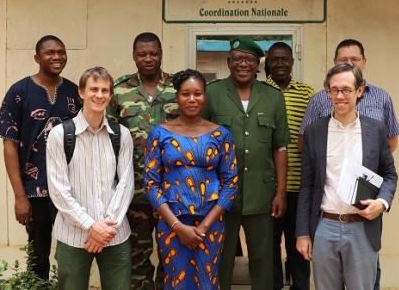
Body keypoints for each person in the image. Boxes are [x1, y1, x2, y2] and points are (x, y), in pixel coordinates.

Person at [300, 39, 399, 288]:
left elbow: (390, 174)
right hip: (325, 226)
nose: (340, 96)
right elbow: (307, 185)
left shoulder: (375, 129)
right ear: (328, 92)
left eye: (346, 89)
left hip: (362, 228)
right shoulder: (314, 131)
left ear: (359, 91)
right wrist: (303, 233)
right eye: (334, 90)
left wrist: (382, 202)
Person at [203, 37, 290, 289]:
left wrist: (281, 193)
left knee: (263, 261)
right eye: (238, 59)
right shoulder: (212, 93)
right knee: (221, 259)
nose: (243, 64)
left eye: (249, 59)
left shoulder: (273, 97)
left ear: (258, 64)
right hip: (220, 195)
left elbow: (280, 147)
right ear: (229, 62)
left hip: (261, 194)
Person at [0, 35, 81, 280]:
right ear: (37, 58)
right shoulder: (19, 91)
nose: (57, 57)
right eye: (50, 53)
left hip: (69, 190)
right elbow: (9, 145)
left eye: (61, 52)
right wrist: (20, 197)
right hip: (35, 192)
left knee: (71, 256)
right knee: (38, 259)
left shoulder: (74, 92)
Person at [143, 69, 239, 289]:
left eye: (198, 93)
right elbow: (150, 182)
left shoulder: (220, 134)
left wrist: (204, 227)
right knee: (175, 281)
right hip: (172, 223)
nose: (192, 99)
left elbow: (230, 183)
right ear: (177, 97)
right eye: (186, 94)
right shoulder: (160, 133)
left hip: (211, 223)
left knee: (207, 281)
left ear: (205, 97)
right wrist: (177, 226)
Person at [46, 67, 134, 290]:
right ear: (81, 92)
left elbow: (126, 184)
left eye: (105, 90)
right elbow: (58, 191)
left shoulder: (122, 134)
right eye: (94, 89)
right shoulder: (59, 135)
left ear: (110, 96)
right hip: (73, 235)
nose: (99, 95)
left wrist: (103, 230)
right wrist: (90, 226)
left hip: (114, 235)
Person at [106, 32, 178, 289]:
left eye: (153, 53)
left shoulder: (177, 88)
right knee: (137, 260)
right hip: (134, 191)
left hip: (173, 192)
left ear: (161, 54)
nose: (148, 58)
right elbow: (108, 143)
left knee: (172, 257)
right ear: (134, 56)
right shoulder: (119, 91)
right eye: (142, 54)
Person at [265, 42, 314, 290]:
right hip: (268, 187)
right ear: (268, 64)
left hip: (300, 186)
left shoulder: (307, 93)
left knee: (299, 245)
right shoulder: (260, 91)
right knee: (269, 246)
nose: (280, 63)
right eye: (275, 59)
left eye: (285, 59)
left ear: (292, 62)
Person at [300, 38, 399, 152]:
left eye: (354, 59)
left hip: (368, 169)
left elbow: (392, 139)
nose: (349, 63)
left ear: (364, 62)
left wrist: (374, 162)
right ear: (335, 62)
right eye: (343, 59)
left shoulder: (382, 97)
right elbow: (304, 141)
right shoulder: (318, 100)